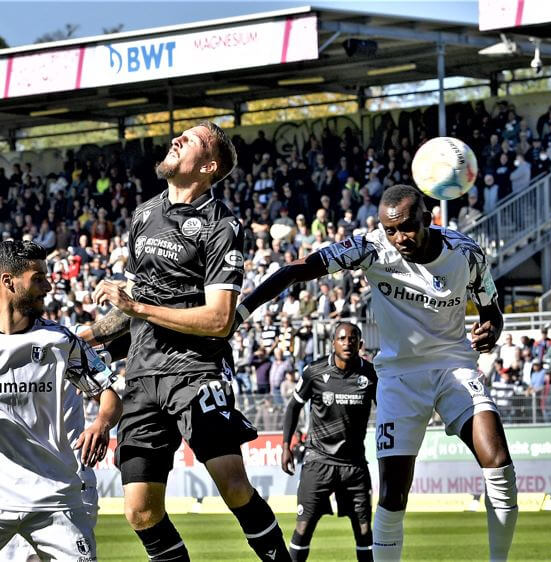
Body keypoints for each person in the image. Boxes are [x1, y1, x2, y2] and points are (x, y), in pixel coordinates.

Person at [233, 184, 517, 561]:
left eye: (406, 228)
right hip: (398, 380)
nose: (399, 238)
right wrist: (241, 311)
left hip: (454, 368)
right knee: (393, 495)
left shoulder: (465, 253)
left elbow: (491, 312)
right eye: (390, 230)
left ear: (427, 218)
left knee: (498, 462)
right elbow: (297, 270)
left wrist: (490, 331)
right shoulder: (371, 248)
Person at [87, 121, 289, 561]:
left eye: (191, 140)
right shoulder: (143, 214)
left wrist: (138, 308)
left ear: (210, 165)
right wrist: (85, 335)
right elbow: (131, 304)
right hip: (141, 375)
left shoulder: (223, 226)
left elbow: (218, 320)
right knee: (140, 511)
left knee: (234, 487)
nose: (177, 139)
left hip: (195, 372)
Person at [0, 240, 121, 561]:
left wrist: (102, 421)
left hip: (55, 498)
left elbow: (108, 394)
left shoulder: (60, 341)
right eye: (38, 277)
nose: (48, 284)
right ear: (8, 281)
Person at [281, 323, 376, 561]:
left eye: (352, 338)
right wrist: (286, 446)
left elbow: (388, 411)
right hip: (318, 462)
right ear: (333, 343)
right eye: (342, 338)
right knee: (303, 529)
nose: (347, 343)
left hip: (354, 465)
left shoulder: (371, 375)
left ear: (360, 343)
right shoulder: (314, 372)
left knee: (365, 533)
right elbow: (293, 406)